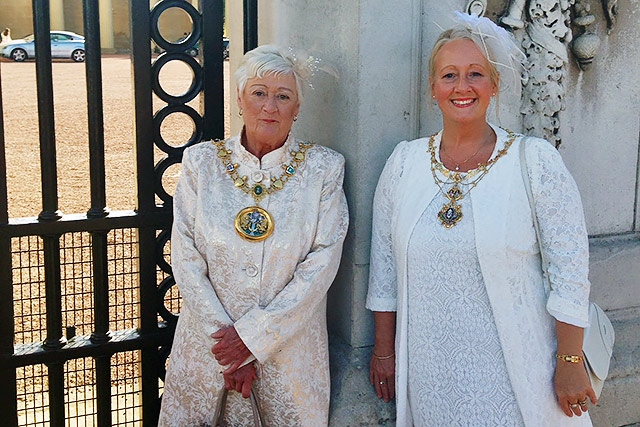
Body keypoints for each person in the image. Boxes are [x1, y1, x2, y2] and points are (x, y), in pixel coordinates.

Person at [366, 12, 595, 426]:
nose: (462, 87)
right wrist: (384, 350)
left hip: (517, 368)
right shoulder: (404, 163)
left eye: (475, 74)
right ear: (432, 88)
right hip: (430, 369)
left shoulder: (534, 162)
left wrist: (570, 359)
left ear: (494, 85)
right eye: (449, 75)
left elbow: (570, 269)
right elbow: (384, 268)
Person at [158, 44, 349, 426]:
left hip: (288, 354)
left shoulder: (325, 169)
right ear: (241, 100)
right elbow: (185, 255)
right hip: (209, 350)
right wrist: (229, 348)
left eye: (283, 97)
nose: (270, 106)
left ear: (298, 109)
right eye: (259, 93)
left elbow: (322, 262)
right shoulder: (201, 163)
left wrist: (254, 339)